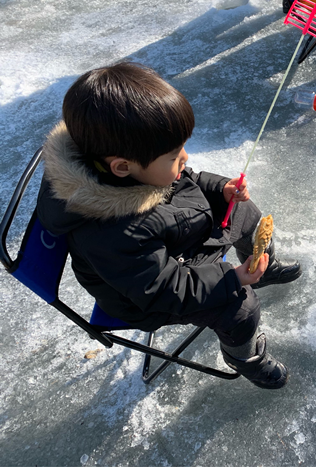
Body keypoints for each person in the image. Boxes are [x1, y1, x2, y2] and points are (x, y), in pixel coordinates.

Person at [36, 62, 302, 389]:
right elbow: (164, 289)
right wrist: (231, 279)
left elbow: (186, 182)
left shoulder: (134, 166)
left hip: (174, 240)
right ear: (122, 168)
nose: (186, 158)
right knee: (241, 304)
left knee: (243, 211)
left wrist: (221, 190)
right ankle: (244, 356)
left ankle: (266, 266)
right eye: (174, 156)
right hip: (150, 293)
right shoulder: (111, 231)